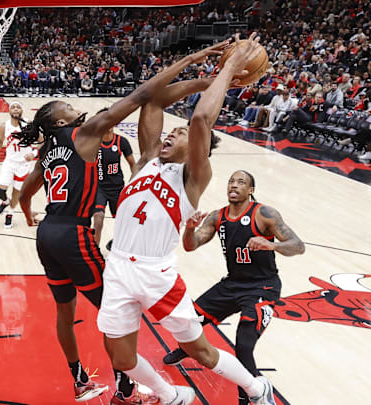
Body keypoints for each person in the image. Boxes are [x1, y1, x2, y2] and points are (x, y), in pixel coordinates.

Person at [17, 41, 230, 404]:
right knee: (116, 312)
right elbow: (147, 94)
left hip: (47, 235)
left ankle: (80, 379)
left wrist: (28, 216)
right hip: (73, 234)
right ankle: (127, 387)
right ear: (61, 122)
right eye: (71, 107)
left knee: (64, 313)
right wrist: (196, 66)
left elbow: (24, 192)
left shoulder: (47, 149)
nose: (77, 108)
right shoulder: (83, 133)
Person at [96, 34, 277, 405]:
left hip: (155, 274)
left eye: (178, 135)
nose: (170, 135)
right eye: (170, 132)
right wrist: (208, 75)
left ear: (196, 149)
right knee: (121, 356)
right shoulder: (147, 160)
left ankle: (258, 389)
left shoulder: (192, 178)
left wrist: (228, 68)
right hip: (117, 268)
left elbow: (199, 120)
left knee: (201, 352)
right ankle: (170, 394)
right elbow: (155, 98)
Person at [162, 170, 305, 405]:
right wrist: (189, 228)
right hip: (232, 283)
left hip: (262, 287)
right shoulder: (218, 216)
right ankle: (187, 348)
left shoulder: (264, 214)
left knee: (244, 343)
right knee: (189, 320)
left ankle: (251, 396)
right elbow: (191, 246)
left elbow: (298, 246)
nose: (234, 185)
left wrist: (273, 246)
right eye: (231, 181)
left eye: (241, 182)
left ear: (251, 190)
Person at [90, 107, 135, 249]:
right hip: (98, 188)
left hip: (117, 188)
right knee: (98, 217)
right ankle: (95, 250)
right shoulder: (91, 142)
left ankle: (118, 243)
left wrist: (132, 185)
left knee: (123, 220)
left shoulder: (122, 142)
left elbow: (134, 165)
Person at [0, 101, 35, 228]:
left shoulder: (29, 124)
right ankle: (5, 201)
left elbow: (42, 141)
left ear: (22, 111)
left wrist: (34, 153)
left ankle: (10, 214)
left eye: (18, 107)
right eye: (12, 107)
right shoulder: (5, 126)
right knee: (0, 191)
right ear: (9, 111)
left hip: (24, 164)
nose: (15, 109)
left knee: (17, 191)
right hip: (9, 162)